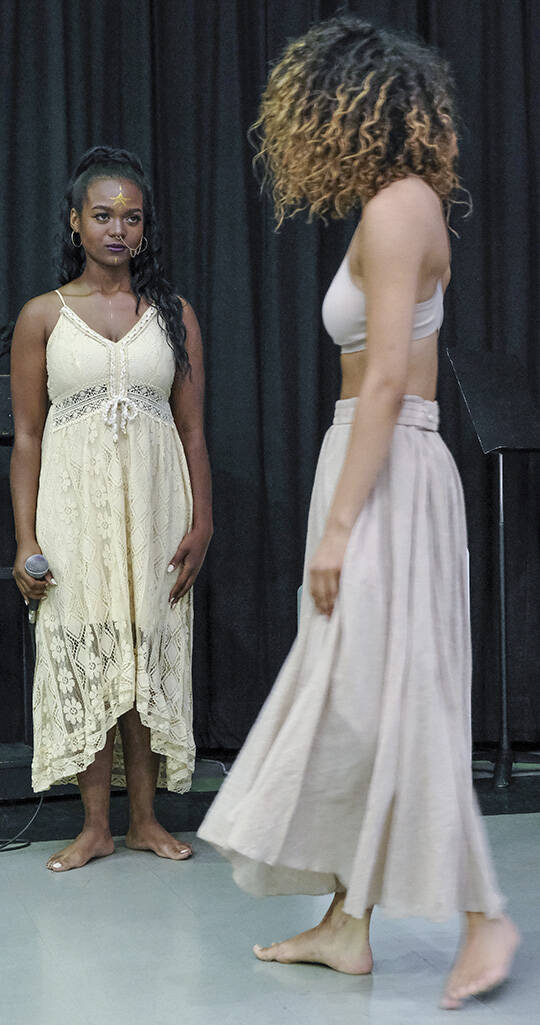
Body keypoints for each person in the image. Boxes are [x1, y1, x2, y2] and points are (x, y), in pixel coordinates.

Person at [198, 15, 519, 1010]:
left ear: (353, 108)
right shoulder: (396, 204)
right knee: (355, 691)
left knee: (397, 690)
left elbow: (384, 379)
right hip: (367, 456)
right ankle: (348, 921)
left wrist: (340, 527)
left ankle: (483, 911)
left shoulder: (399, 207)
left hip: (388, 467)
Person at [10, 146, 212, 871]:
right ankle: (95, 826)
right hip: (73, 514)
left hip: (158, 514)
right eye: (102, 215)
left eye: (131, 217)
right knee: (91, 648)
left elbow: (193, 431)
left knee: (144, 648)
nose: (117, 229)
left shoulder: (173, 315)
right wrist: (25, 539)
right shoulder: (43, 316)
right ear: (76, 221)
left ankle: (145, 821)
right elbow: (27, 438)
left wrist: (203, 522)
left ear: (145, 228)